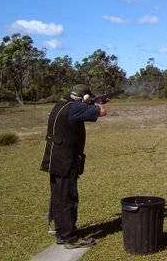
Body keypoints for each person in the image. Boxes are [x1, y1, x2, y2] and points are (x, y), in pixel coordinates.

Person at [40, 84, 107, 248]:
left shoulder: (62, 104)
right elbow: (102, 111)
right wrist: (94, 103)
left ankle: (60, 230)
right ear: (84, 97)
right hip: (65, 160)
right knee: (68, 197)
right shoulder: (75, 108)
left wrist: (89, 102)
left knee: (59, 196)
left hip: (54, 158)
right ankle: (68, 237)